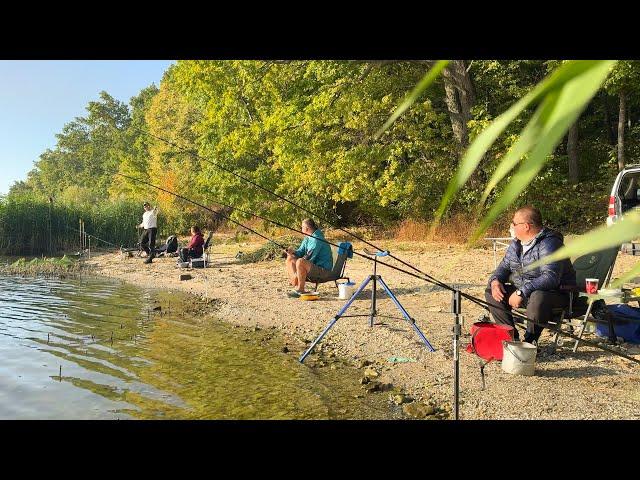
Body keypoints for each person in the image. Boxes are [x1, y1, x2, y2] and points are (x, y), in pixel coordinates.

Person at [485, 205, 576, 345]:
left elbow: (550, 277)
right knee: (492, 292)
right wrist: (495, 281)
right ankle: (511, 339)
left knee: (537, 296)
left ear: (526, 226)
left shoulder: (550, 243)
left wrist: (521, 292)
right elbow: (503, 268)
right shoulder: (516, 245)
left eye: (514, 224)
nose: (511, 227)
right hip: (525, 293)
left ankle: (529, 341)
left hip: (556, 294)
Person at [285, 218, 333, 297]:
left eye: (302, 227)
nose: (301, 229)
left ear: (306, 228)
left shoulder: (317, 239)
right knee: (290, 258)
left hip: (323, 270)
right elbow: (300, 252)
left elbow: (309, 258)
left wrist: (297, 269)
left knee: (300, 261)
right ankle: (295, 283)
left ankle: (300, 289)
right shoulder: (307, 238)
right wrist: (292, 252)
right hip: (313, 267)